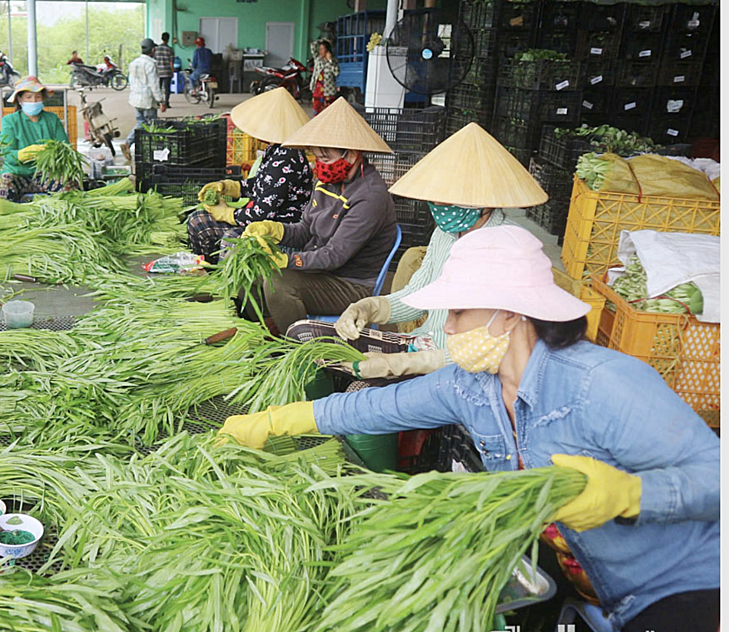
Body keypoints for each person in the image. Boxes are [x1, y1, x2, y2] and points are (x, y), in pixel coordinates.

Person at [219, 225, 720, 632]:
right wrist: (279, 421)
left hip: (673, 583)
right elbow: (379, 407)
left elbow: (715, 477)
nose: (449, 327)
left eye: (458, 312)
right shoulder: (473, 383)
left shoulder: (603, 383)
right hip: (572, 574)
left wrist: (631, 495)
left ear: (512, 314)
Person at [291, 122, 546, 379]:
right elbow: (416, 297)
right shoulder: (445, 233)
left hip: (457, 369)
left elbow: (488, 350)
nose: (437, 203)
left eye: (448, 196)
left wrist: (404, 363)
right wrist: (367, 308)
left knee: (357, 388)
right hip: (419, 345)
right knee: (305, 335)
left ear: (483, 199)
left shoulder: (510, 249)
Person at [237, 98, 397, 334]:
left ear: (352, 155)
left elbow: (334, 256)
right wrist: (274, 229)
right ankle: (267, 332)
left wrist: (287, 261)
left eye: (326, 158)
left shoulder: (370, 197)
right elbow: (305, 230)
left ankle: (296, 345)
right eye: (318, 159)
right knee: (249, 272)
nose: (321, 166)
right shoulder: (326, 182)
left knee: (279, 285)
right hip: (320, 270)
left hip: (350, 283)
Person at [187, 88, 313, 263]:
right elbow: (263, 184)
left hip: (277, 229)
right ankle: (208, 269)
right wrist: (229, 187)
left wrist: (227, 214)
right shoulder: (276, 149)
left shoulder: (287, 159)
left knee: (232, 239)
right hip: (258, 220)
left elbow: (262, 213)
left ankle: (226, 278)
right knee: (198, 221)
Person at [0, 76, 73, 201]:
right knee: (3, 187)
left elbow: (65, 149)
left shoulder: (52, 119)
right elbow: (7, 155)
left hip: (47, 174)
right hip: (18, 173)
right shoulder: (10, 121)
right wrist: (25, 154)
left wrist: (50, 153)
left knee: (68, 186)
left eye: (38, 97)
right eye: (28, 97)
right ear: (19, 100)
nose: (34, 101)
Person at [126, 38, 167, 151]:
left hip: (135, 99)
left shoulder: (133, 63)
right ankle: (156, 149)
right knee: (151, 124)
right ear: (153, 50)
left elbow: (131, 81)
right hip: (147, 100)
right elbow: (154, 85)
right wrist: (161, 101)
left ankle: (135, 145)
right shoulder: (150, 64)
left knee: (142, 122)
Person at [310, 39, 340, 114]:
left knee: (328, 113)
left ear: (327, 50)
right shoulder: (317, 59)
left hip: (329, 92)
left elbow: (337, 73)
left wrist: (330, 61)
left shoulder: (333, 61)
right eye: (319, 49)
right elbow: (313, 46)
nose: (320, 51)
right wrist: (322, 40)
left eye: (322, 49)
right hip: (317, 91)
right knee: (317, 111)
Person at [154, 33, 175, 108]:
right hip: (167, 72)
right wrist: (172, 71)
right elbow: (171, 62)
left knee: (158, 88)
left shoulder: (156, 49)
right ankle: (166, 103)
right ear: (168, 39)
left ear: (161, 38)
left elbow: (154, 60)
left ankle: (158, 102)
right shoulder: (170, 49)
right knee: (167, 89)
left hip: (158, 72)